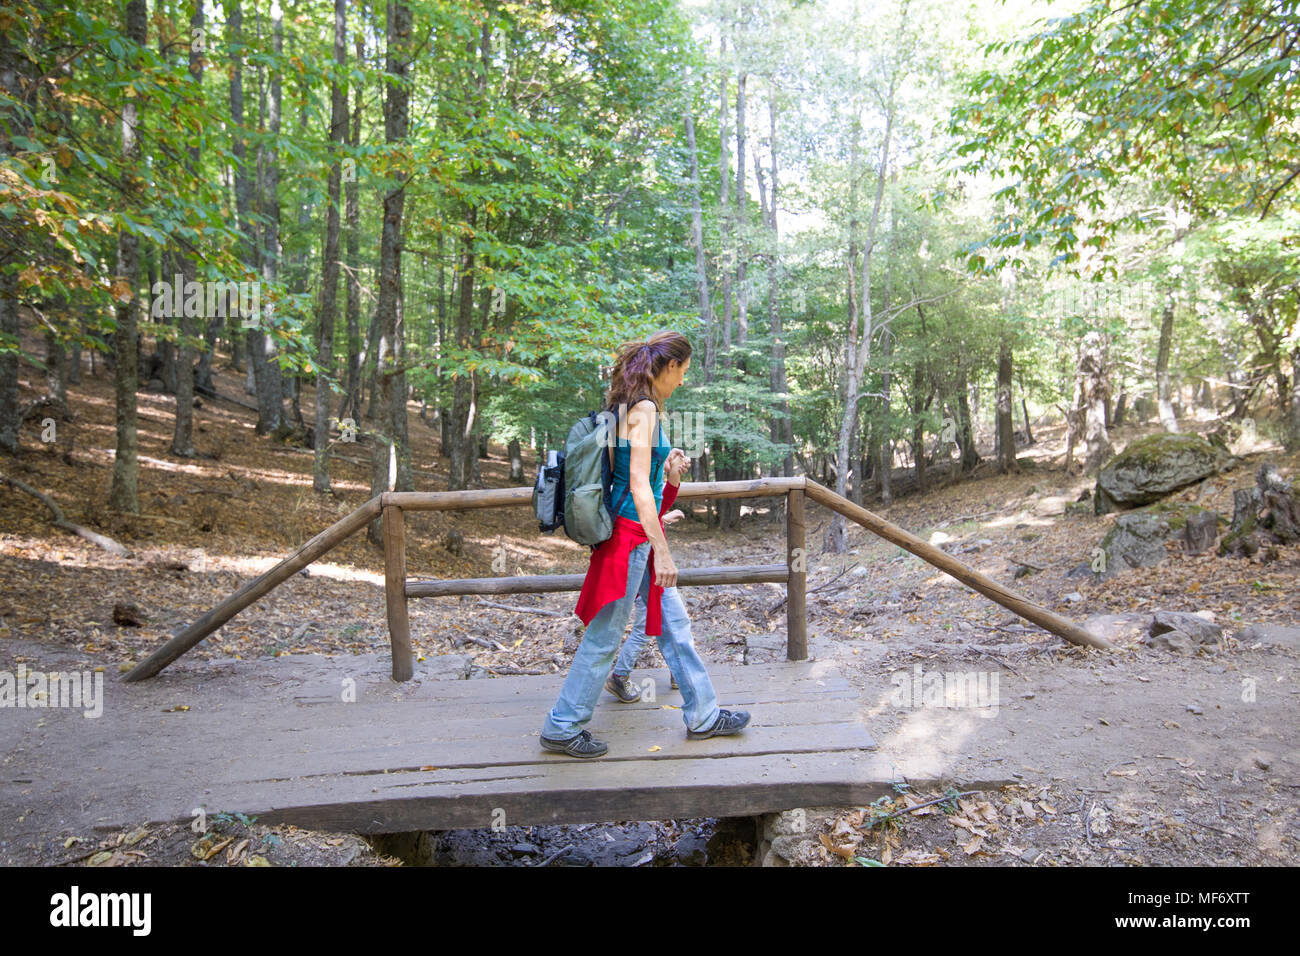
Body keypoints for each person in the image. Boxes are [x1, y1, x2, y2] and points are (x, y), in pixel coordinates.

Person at [540, 330, 750, 757]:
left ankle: (703, 715)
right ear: (668, 367)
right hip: (631, 546)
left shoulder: (628, 409)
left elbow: (639, 486)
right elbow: (635, 486)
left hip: (635, 537)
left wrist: (669, 478)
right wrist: (664, 551)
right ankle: (563, 725)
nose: (683, 380)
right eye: (683, 371)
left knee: (675, 628)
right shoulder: (645, 411)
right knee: (605, 635)